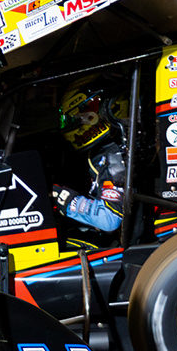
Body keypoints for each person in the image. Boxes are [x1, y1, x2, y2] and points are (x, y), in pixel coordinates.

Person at [52, 76, 130, 234]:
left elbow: (109, 219)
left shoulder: (113, 155)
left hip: (123, 242)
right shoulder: (106, 150)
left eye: (73, 119)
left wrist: (64, 199)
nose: (69, 126)